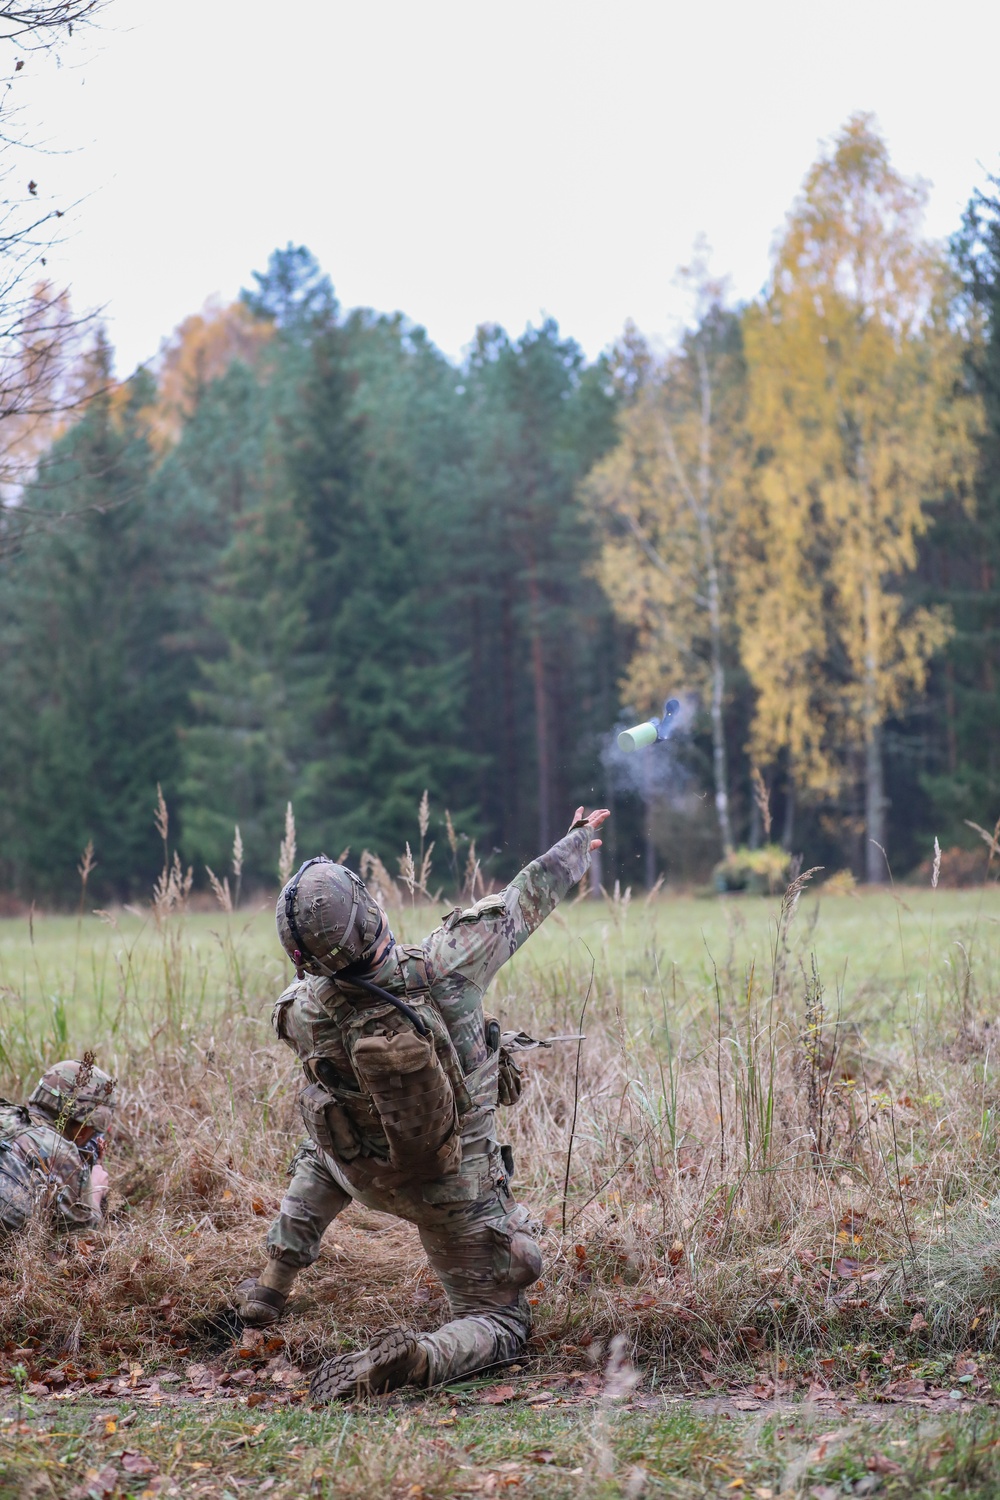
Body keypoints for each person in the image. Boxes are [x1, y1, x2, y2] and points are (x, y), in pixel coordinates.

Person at [236, 805, 609, 1400]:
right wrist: (577, 841)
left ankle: (270, 1286)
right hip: (451, 1195)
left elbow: (320, 1006)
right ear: (370, 913)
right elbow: (524, 900)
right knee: (505, 1322)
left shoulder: (299, 1013)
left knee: (318, 1141)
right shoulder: (446, 965)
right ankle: (419, 1359)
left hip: (360, 1175)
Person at [0, 1057, 116, 1238]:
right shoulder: (61, 1152)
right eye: (94, 1132)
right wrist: (95, 1190)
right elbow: (85, 1240)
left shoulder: (4, 1112)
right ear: (84, 1130)